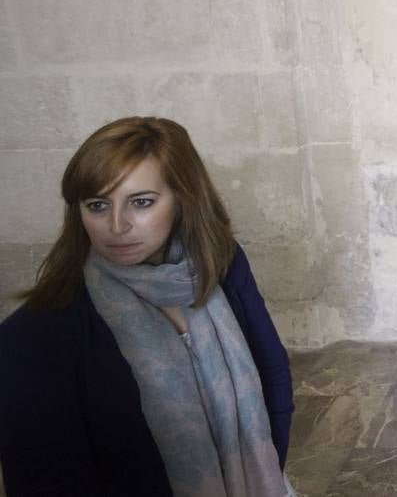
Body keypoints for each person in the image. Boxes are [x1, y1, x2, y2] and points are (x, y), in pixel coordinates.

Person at [0, 117, 295, 496]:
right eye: (97, 205)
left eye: (141, 202)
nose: (118, 225)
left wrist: (266, 474)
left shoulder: (221, 263)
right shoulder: (33, 337)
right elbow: (48, 481)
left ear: (183, 199)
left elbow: (272, 372)